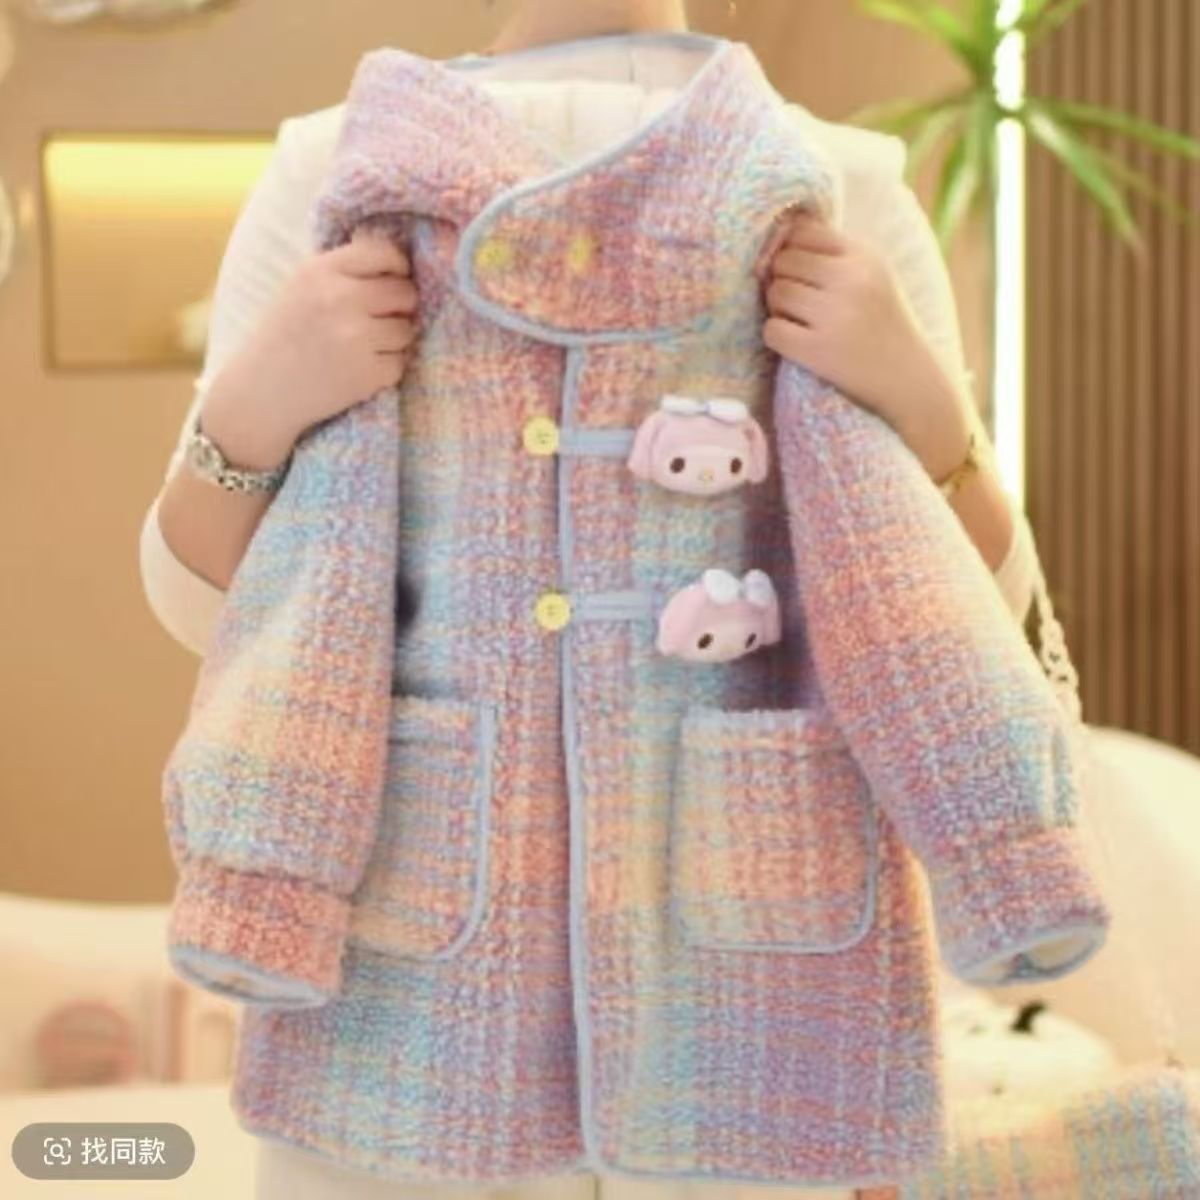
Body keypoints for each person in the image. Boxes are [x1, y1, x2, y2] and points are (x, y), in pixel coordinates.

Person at [139, 2, 1043, 1197]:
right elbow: (215, 618)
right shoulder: (333, 165)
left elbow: (975, 621)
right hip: (414, 976)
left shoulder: (840, 184)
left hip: (749, 970)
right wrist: (261, 400)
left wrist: (915, 397)